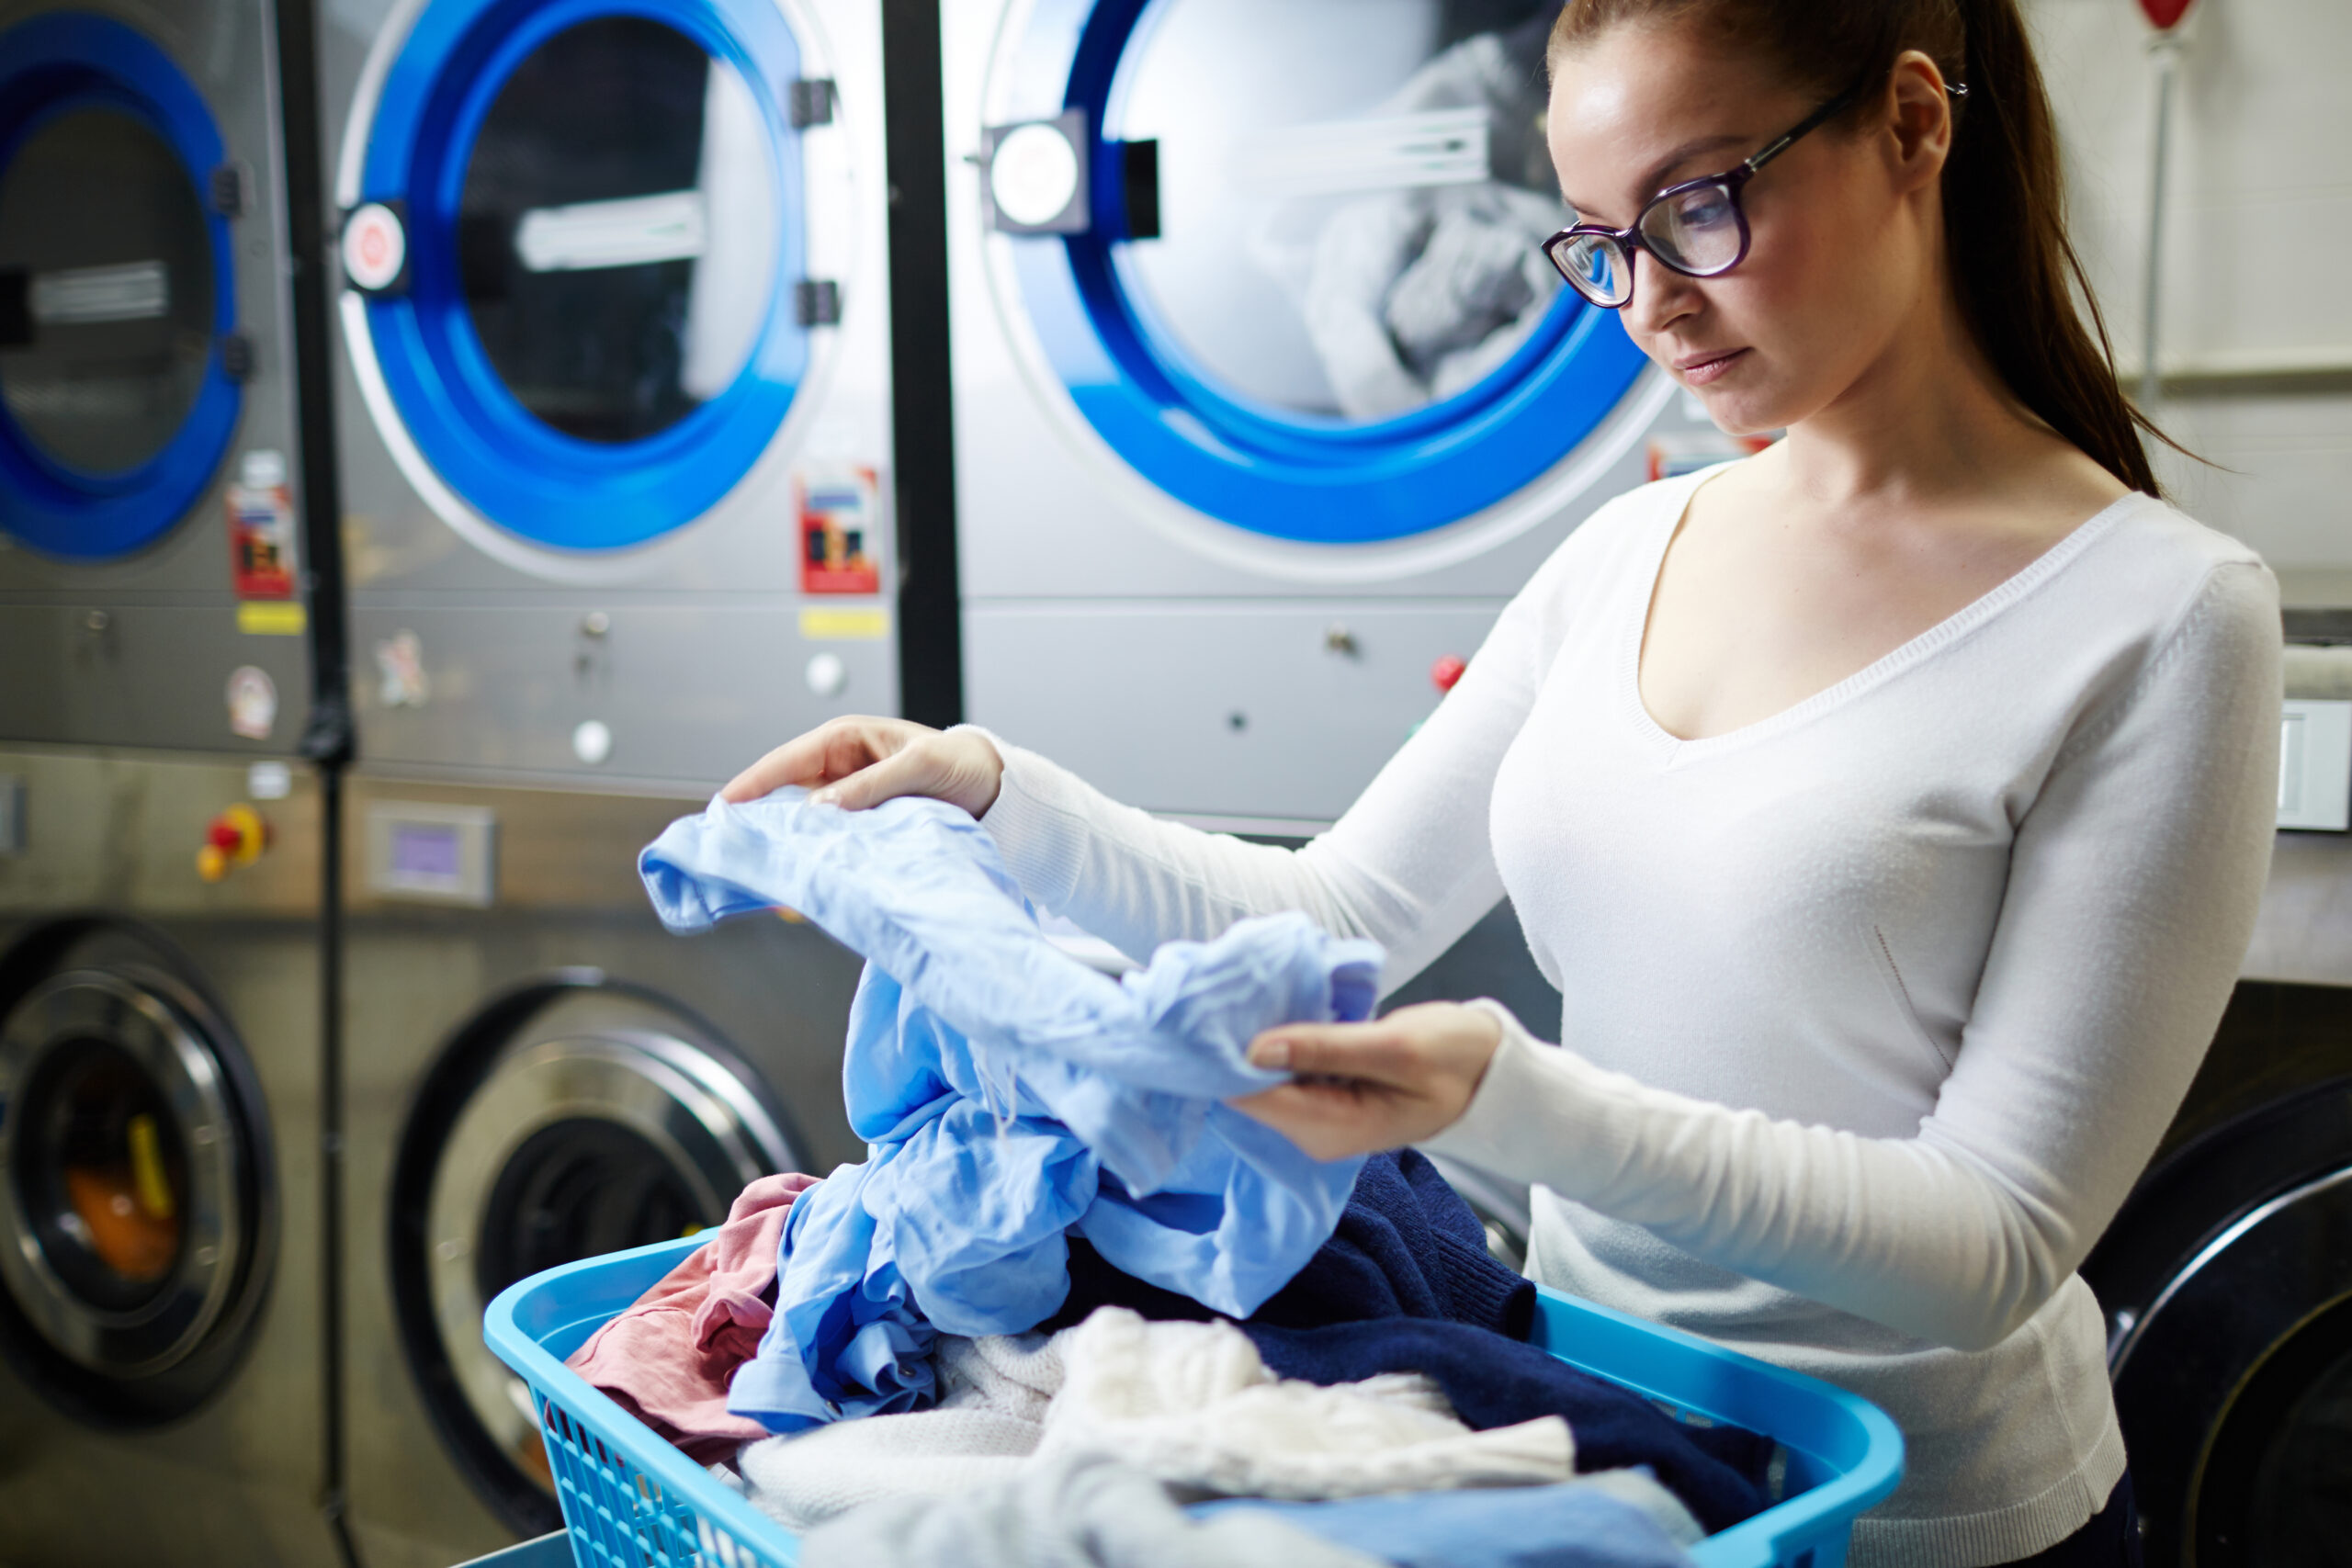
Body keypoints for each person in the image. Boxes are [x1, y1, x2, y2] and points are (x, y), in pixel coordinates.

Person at [724, 0, 2279, 1560]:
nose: (1652, 304)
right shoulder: (1629, 549)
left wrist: (1509, 1102)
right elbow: (1337, 907)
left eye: (1699, 206)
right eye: (1602, 240)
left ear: (1914, 125)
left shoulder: (2154, 616)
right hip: (1599, 1456)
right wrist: (986, 788)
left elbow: (1992, 1242)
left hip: (1926, 1513)